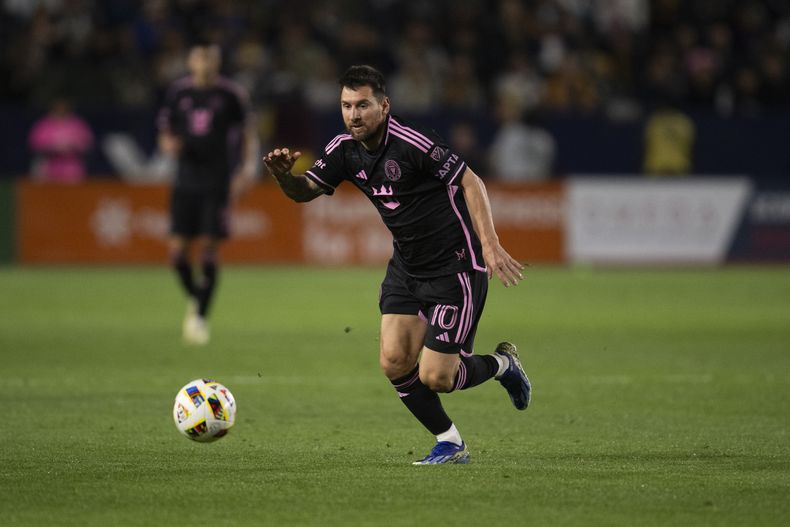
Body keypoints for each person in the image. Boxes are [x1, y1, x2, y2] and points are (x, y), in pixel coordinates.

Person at [263, 65, 531, 465]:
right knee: (393, 361)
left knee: (437, 377)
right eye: (346, 106)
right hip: (406, 268)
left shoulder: (413, 143)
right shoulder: (343, 149)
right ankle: (451, 442)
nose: (354, 115)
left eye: (363, 105)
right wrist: (286, 177)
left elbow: (471, 182)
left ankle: (503, 365)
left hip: (455, 267)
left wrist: (490, 245)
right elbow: (304, 192)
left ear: (384, 106)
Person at [157, 41, 259, 345]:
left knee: (209, 250)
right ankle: (198, 299)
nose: (205, 63)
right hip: (185, 180)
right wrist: (168, 145)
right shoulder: (179, 93)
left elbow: (248, 135)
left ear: (217, 61)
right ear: (191, 61)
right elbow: (165, 132)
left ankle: (200, 316)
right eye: (200, 57)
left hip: (217, 182)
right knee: (177, 254)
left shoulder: (230, 95)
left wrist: (245, 171)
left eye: (210, 58)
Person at [28, 97, 94, 184]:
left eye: (63, 107)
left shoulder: (77, 124)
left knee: (72, 193)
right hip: (49, 166)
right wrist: (52, 148)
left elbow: (87, 144)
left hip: (72, 168)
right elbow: (35, 145)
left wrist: (73, 147)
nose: (61, 109)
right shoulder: (43, 124)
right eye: (58, 107)